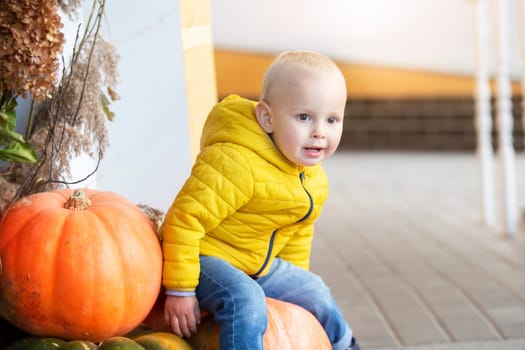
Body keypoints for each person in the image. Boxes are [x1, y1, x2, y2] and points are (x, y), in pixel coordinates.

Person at [161, 50, 360, 350]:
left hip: (255, 264)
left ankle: (347, 346)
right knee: (244, 298)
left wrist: (295, 291)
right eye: (304, 117)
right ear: (267, 117)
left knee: (315, 290)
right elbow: (183, 219)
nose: (320, 132)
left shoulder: (313, 179)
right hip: (203, 258)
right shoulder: (236, 162)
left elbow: (296, 234)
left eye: (332, 119)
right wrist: (180, 289)